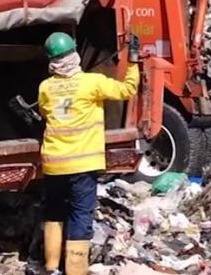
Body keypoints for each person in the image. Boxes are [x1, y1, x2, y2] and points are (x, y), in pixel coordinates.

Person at [38, 32, 139, 275]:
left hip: (53, 163)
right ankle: (75, 270)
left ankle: (51, 267)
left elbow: (44, 112)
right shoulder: (92, 83)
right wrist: (133, 62)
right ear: (74, 54)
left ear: (52, 61)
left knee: (53, 212)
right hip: (82, 164)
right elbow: (127, 90)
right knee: (80, 214)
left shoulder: (45, 87)